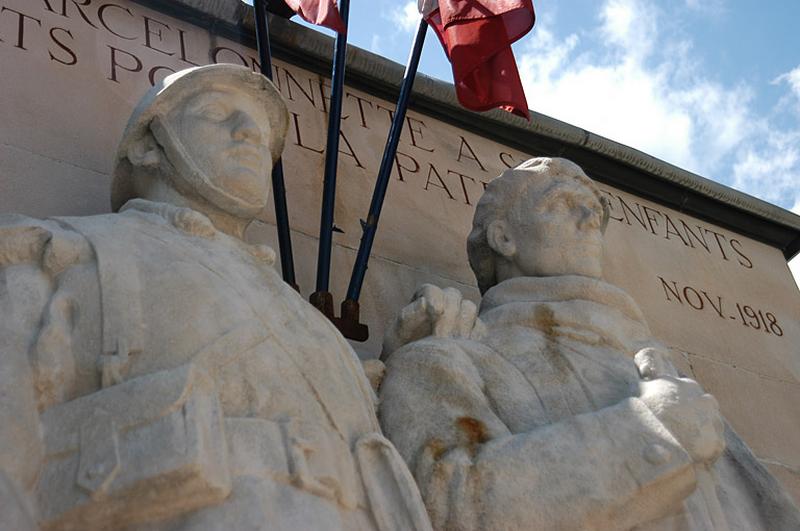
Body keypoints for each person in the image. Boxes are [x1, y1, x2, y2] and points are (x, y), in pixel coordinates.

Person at [0, 64, 431, 531]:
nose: (250, 134)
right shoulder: (58, 254)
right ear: (149, 145)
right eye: (217, 112)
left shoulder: (301, 316)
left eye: (261, 130)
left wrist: (415, 357)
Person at [379, 157, 800, 530]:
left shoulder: (658, 366)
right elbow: (452, 503)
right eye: (561, 202)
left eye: (595, 209)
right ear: (504, 239)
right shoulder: (441, 357)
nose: (589, 218)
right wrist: (652, 432)